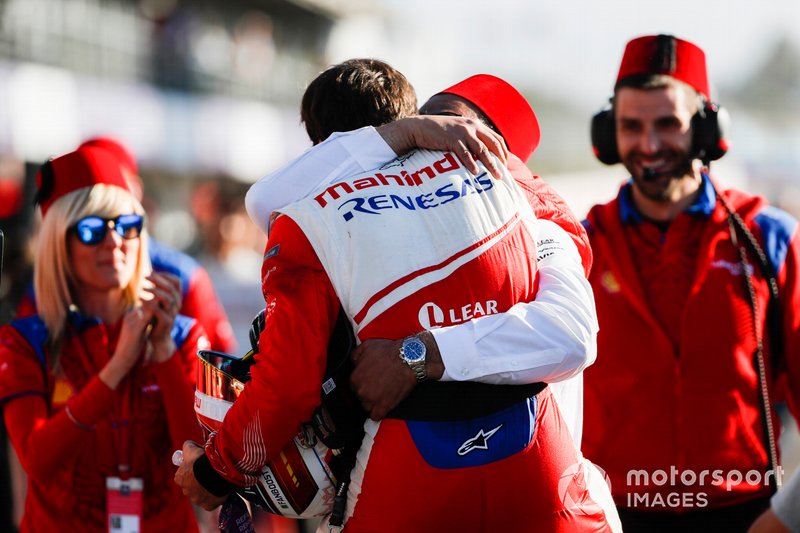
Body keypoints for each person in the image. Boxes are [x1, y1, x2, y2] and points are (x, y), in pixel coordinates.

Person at [176, 59, 614, 532]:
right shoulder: (520, 194)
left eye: (454, 127)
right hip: (540, 469)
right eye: (432, 121)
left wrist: (217, 469)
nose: (438, 142)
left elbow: (286, 383)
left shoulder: (307, 219)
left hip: (418, 474)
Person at [581, 34, 800, 532]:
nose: (649, 145)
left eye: (668, 125)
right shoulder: (579, 246)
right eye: (631, 127)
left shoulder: (771, 239)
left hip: (747, 516)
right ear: (609, 135)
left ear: (705, 129)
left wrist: (788, 517)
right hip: (611, 514)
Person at [0, 146, 207, 531]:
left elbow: (198, 463)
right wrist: (116, 369)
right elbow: (38, 460)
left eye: (127, 225)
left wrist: (161, 351)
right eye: (92, 229)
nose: (113, 241)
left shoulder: (181, 334)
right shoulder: (24, 342)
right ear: (58, 243)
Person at [14, 136, 238, 354]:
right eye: (88, 188)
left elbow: (218, 367)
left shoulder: (185, 276)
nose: (112, 241)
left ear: (136, 189)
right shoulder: (48, 286)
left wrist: (164, 350)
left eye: (113, 179)